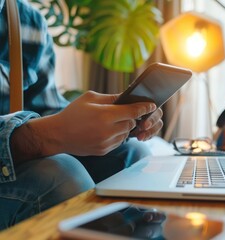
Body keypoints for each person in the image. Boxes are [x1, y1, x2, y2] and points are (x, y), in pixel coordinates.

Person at [0, 0, 163, 230]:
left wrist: (109, 121)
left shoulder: (27, 22)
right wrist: (51, 133)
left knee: (132, 155)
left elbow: (45, 109)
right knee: (59, 176)